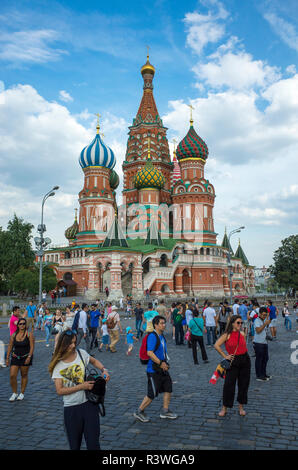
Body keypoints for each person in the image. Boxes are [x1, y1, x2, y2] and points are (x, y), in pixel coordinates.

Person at [49, 329, 110, 450]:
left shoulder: (81, 353)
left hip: (90, 405)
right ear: (63, 344)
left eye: (74, 342)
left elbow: (93, 361)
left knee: (94, 445)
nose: (73, 346)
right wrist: (81, 386)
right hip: (72, 409)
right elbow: (59, 391)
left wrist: (104, 370)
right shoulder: (58, 364)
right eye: (70, 343)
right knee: (75, 445)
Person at [133, 315, 178, 422]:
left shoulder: (161, 336)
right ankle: (139, 411)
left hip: (162, 368)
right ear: (156, 325)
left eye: (164, 323)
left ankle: (165, 411)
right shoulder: (153, 336)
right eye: (162, 323)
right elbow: (149, 353)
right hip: (153, 370)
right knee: (152, 393)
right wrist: (161, 363)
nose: (164, 325)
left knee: (168, 388)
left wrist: (164, 363)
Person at [214, 315, 251, 417]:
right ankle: (224, 407)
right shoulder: (227, 335)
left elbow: (243, 347)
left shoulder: (242, 334)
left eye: (241, 323)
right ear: (232, 323)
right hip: (233, 361)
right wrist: (225, 356)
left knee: (243, 385)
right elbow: (216, 345)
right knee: (229, 385)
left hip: (245, 360)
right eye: (238, 323)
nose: (240, 325)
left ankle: (241, 407)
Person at [6, 318, 35, 401]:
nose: (22, 325)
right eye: (20, 324)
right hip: (15, 357)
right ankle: (14, 393)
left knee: (24, 375)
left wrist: (29, 357)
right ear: (18, 325)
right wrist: (7, 358)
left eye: (23, 324)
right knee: (12, 376)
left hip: (25, 357)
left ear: (25, 325)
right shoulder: (14, 335)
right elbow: (10, 346)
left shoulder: (29, 334)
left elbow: (32, 347)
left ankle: (22, 393)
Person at [254, 307, 272, 381]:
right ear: (259, 314)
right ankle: (259, 375)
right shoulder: (257, 320)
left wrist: (266, 324)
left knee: (265, 358)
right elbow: (258, 331)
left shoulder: (264, 320)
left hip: (264, 342)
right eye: (263, 315)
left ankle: (263, 374)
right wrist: (265, 324)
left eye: (266, 315)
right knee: (259, 359)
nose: (264, 316)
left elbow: (264, 330)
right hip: (258, 343)